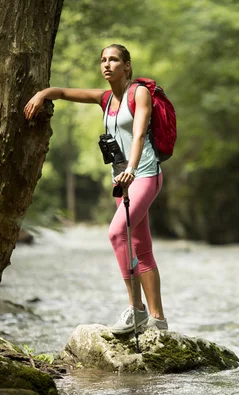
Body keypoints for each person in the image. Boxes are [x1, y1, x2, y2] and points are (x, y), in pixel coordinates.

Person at [24, 44, 168, 333]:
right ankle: (158, 319)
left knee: (117, 233)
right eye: (103, 60)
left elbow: (139, 134)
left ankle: (136, 309)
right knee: (141, 246)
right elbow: (64, 93)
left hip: (144, 174)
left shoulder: (138, 92)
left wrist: (131, 168)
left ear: (127, 66)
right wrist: (42, 94)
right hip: (121, 180)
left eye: (114, 60)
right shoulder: (105, 98)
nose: (107, 64)